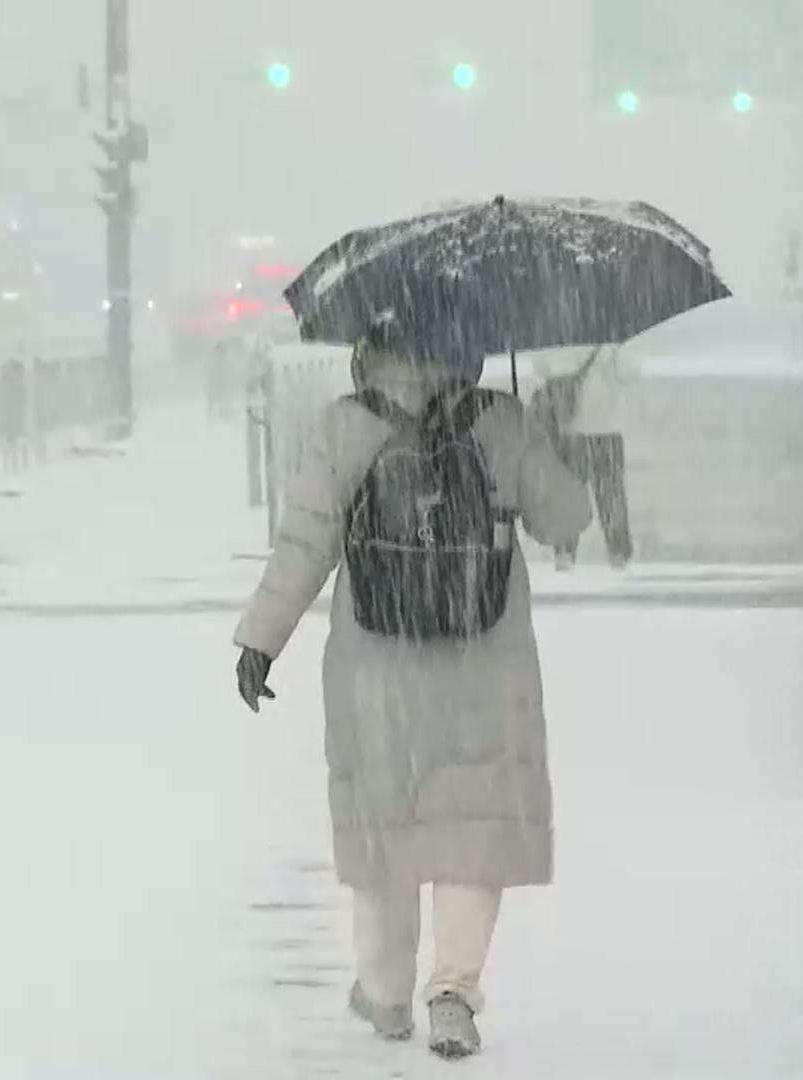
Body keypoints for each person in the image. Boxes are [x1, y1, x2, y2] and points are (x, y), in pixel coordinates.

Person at [232, 325, 591, 1059]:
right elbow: (567, 519)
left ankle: (387, 990)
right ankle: (453, 990)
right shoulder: (500, 421)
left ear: (371, 347)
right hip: (483, 659)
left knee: (383, 826)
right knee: (471, 829)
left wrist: (262, 640)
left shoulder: (350, 424)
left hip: (377, 661)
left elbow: (305, 542)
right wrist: (545, 435)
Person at [534, 345, 634, 570]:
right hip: (606, 424)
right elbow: (630, 370)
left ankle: (565, 549)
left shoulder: (556, 339)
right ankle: (617, 550)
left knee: (567, 491)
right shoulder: (610, 343)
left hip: (569, 427)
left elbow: (540, 367)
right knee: (611, 492)